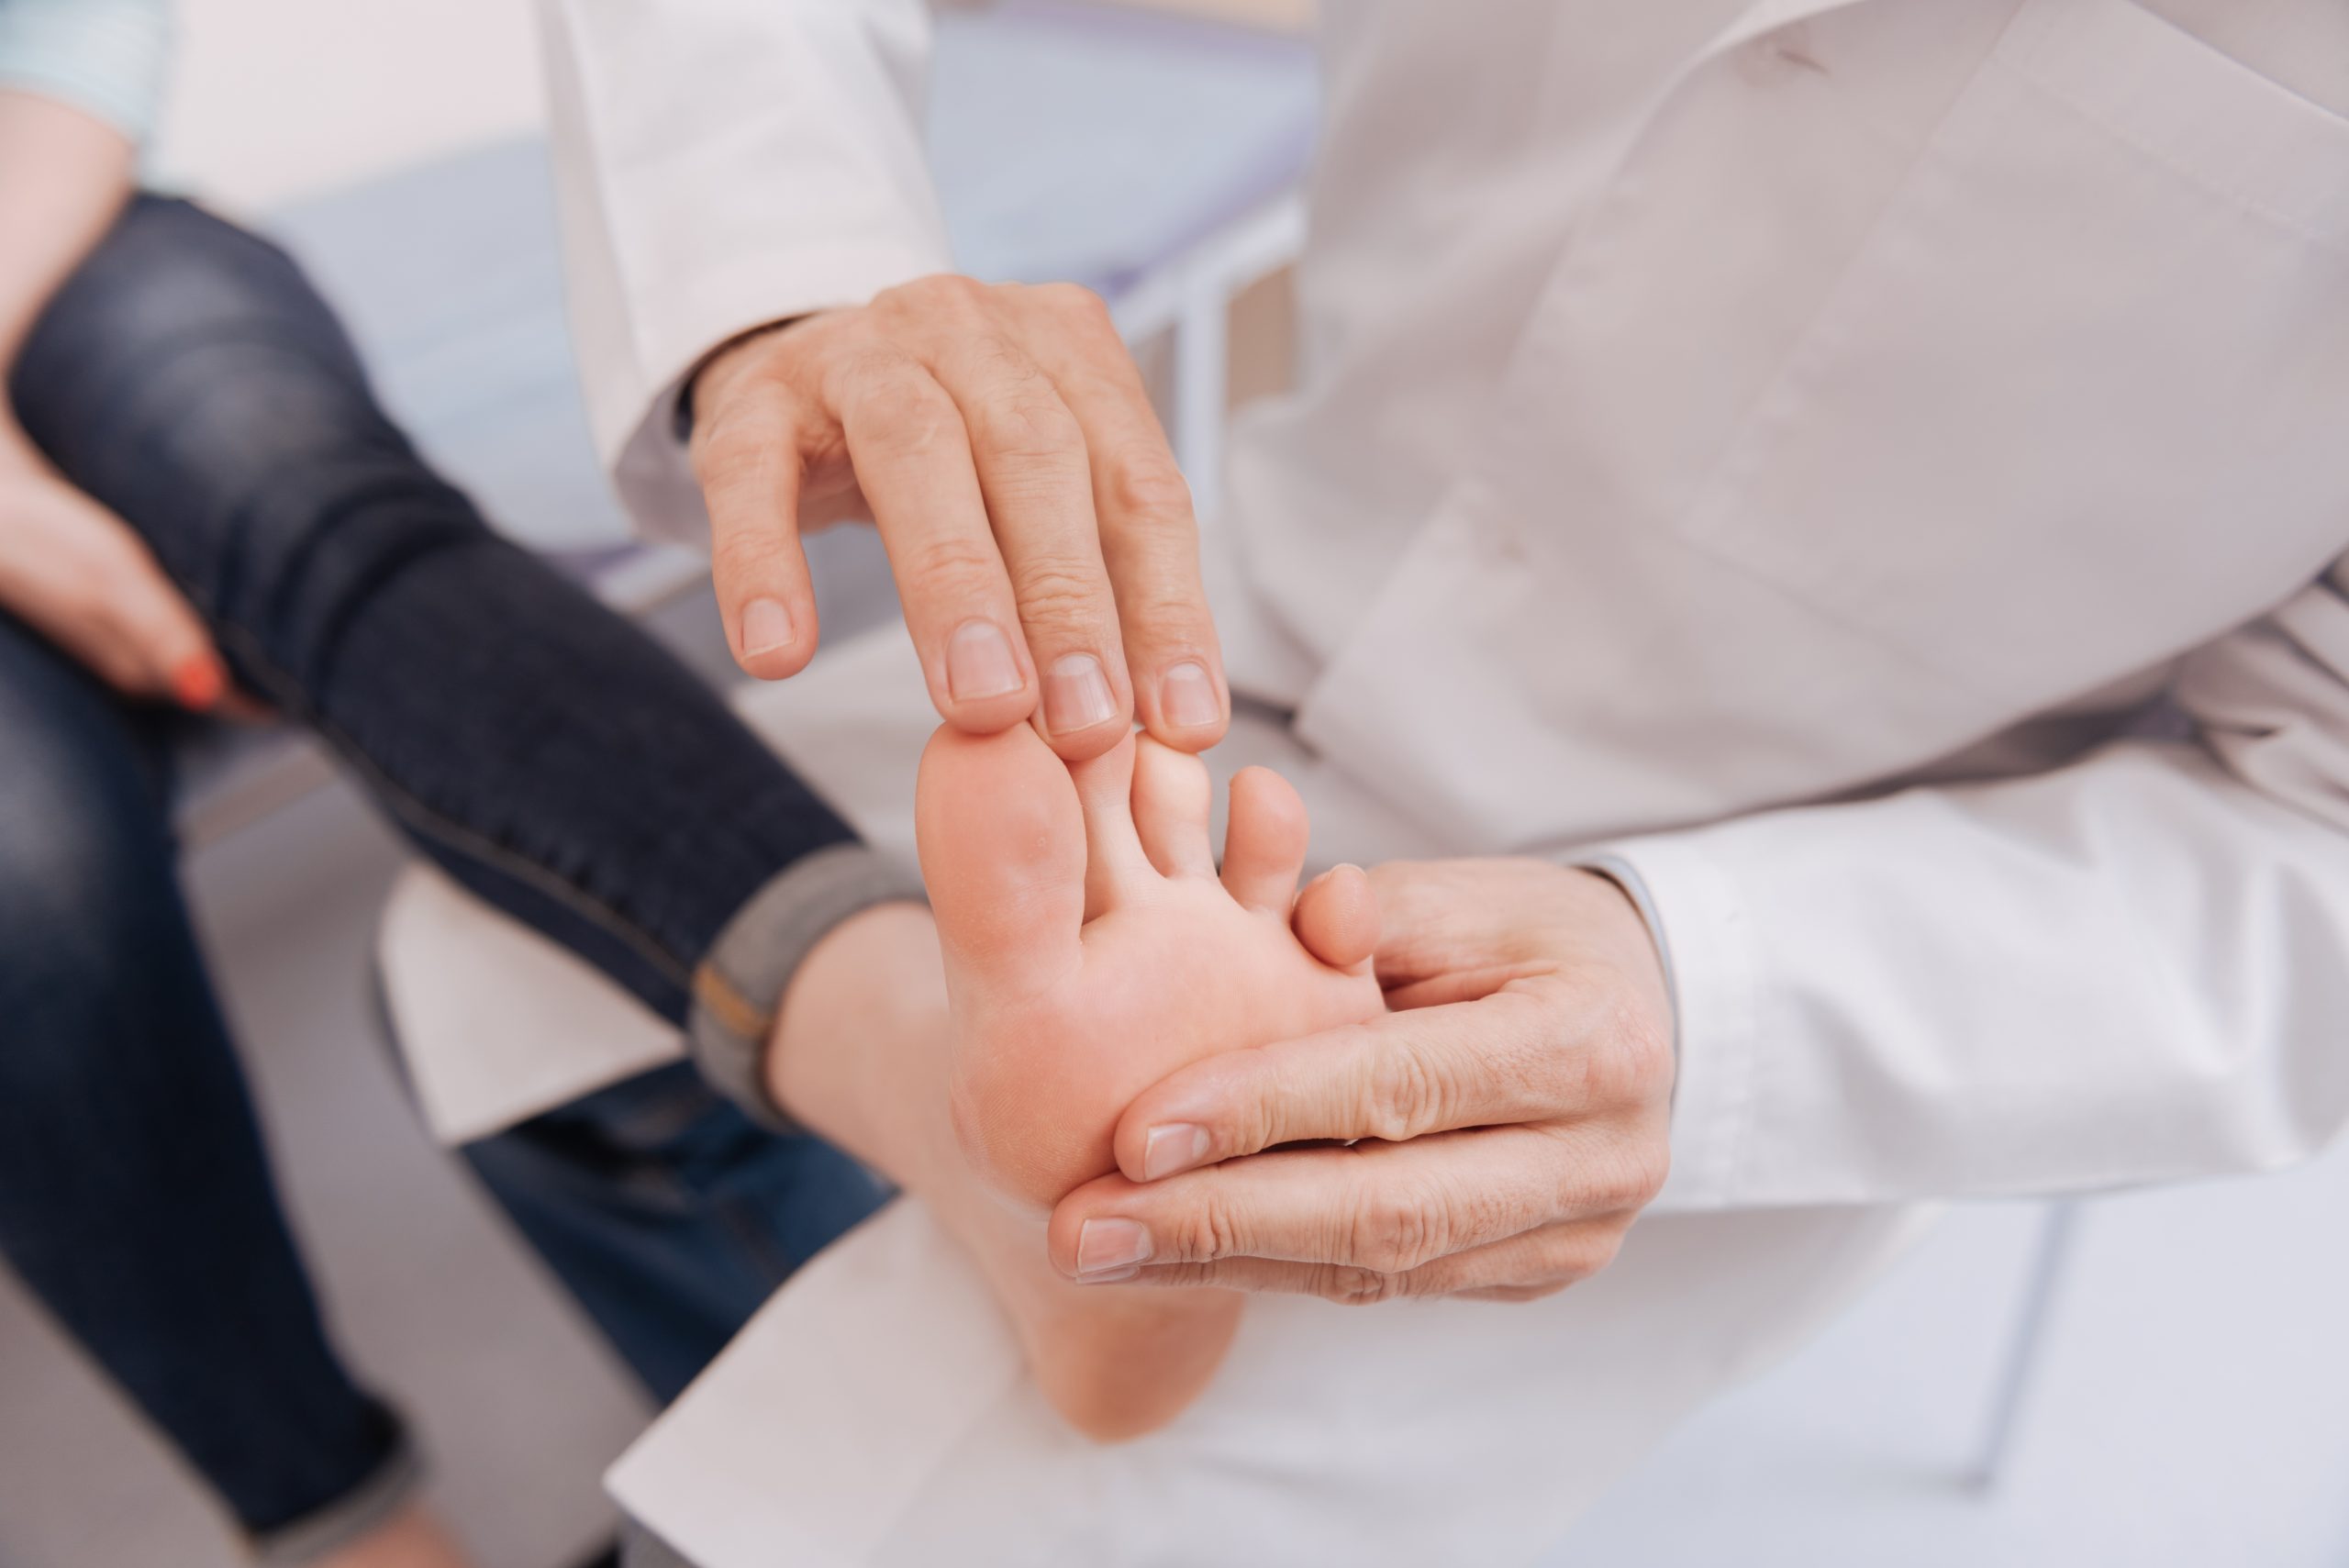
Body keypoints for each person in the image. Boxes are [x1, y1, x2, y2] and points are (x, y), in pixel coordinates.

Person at [528, 0, 2349, 1559]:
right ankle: (946, 1167)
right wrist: (781, 274)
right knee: (490, 973)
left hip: (1792, 901)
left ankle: (975, 1192)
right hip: (1246, 615)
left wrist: (1703, 995)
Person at [0, 2, 1265, 1562]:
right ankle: (345, 1527)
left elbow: (74, 41)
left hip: (60, 219)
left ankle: (932, 1085)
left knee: (303, 502)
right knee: (15, 842)